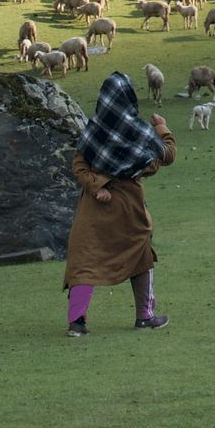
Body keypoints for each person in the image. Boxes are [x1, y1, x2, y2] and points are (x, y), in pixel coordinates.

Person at [64, 70, 176, 335]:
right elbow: (167, 156)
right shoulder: (140, 130)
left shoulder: (94, 129)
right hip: (129, 207)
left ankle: (76, 323)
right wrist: (161, 126)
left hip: (94, 209)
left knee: (84, 260)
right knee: (141, 254)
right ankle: (145, 317)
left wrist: (98, 185)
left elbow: (78, 166)